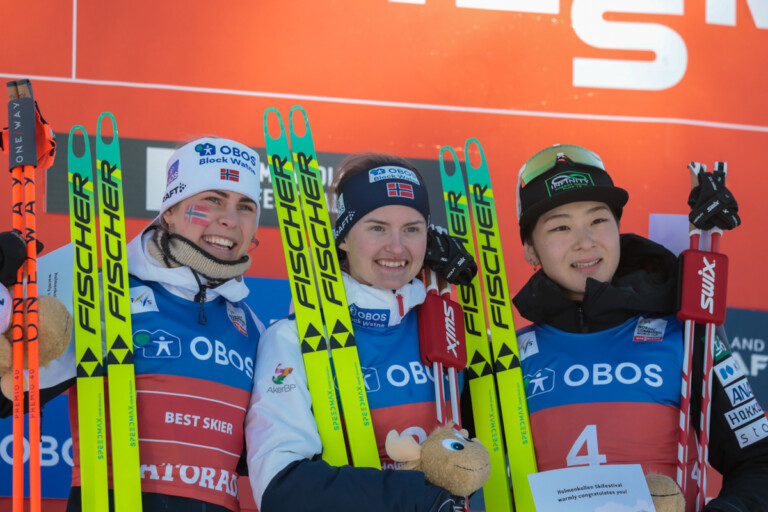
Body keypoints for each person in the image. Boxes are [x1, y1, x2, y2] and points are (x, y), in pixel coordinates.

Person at [1, 136, 266, 511]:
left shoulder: (255, 328)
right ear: (170, 210)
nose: (229, 219)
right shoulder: (101, 293)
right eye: (211, 199)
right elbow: (9, 391)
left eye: (245, 206)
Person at [511, 144, 768, 511]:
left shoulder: (686, 334)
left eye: (599, 220)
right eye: (561, 227)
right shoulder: (509, 357)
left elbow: (759, 460)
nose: (585, 242)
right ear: (530, 250)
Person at [244, 152, 477, 512]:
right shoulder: (294, 339)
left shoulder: (450, 331)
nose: (396, 247)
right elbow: (280, 487)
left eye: (412, 229)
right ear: (342, 239)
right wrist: (417, 498)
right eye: (377, 227)